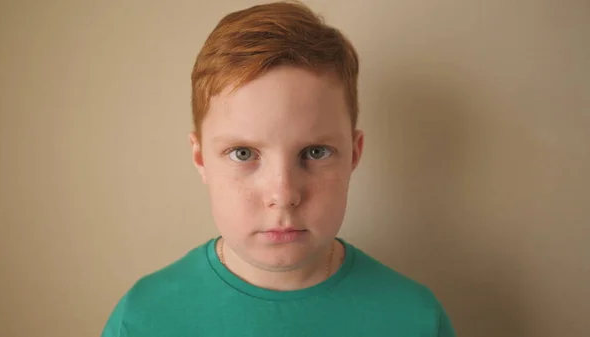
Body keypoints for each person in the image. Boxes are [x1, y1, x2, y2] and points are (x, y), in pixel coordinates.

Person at [101, 1, 456, 336]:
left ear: (353, 155)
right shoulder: (143, 319)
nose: (284, 195)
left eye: (315, 152)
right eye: (243, 153)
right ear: (200, 159)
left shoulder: (414, 319)